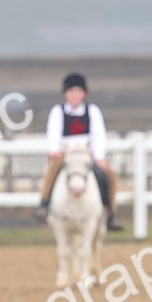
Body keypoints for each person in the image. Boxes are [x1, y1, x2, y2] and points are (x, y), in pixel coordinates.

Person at [34, 73, 124, 231]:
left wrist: (99, 157)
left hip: (87, 153)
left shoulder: (92, 111)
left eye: (78, 92)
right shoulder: (58, 111)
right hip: (65, 153)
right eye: (71, 92)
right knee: (51, 170)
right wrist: (55, 150)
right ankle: (44, 203)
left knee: (110, 174)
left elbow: (98, 135)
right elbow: (53, 132)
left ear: (84, 94)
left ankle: (111, 212)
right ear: (65, 94)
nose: (74, 95)